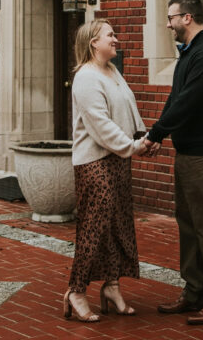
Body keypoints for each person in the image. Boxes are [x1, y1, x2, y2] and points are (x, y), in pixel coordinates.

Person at [144, 0, 203, 326]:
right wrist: (158, 133)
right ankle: (194, 291)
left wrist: (156, 134)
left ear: (187, 18)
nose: (167, 24)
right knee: (189, 226)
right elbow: (175, 98)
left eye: (170, 18)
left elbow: (190, 102)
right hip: (189, 154)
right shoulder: (189, 54)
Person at [63, 18, 147, 323]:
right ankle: (76, 291)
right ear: (93, 43)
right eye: (109, 35)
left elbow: (128, 109)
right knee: (94, 229)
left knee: (118, 225)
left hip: (119, 159)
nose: (115, 38)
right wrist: (132, 146)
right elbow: (100, 126)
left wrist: (142, 137)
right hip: (95, 163)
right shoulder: (86, 77)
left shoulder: (111, 71)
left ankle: (112, 287)